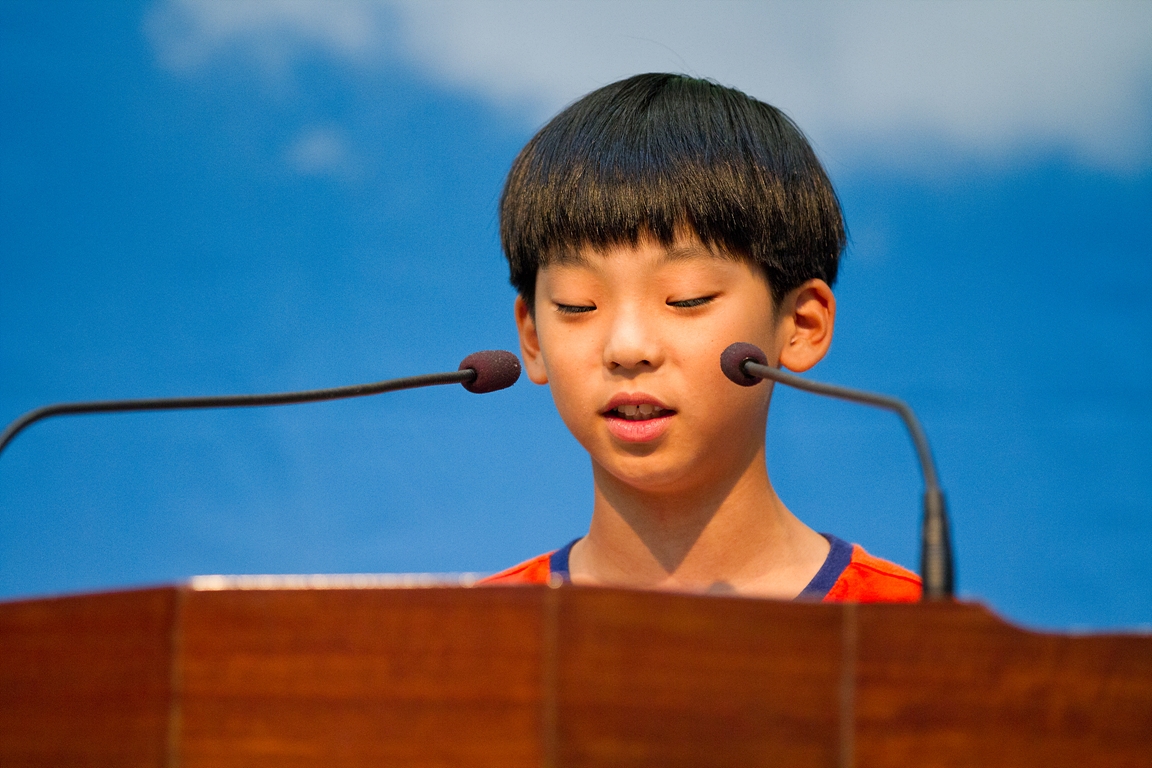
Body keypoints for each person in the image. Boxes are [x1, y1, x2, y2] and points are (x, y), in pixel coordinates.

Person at [481, 73, 919, 602]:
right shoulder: (469, 630)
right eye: (578, 305)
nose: (627, 349)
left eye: (686, 299)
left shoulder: (911, 627)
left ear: (802, 324)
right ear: (532, 338)